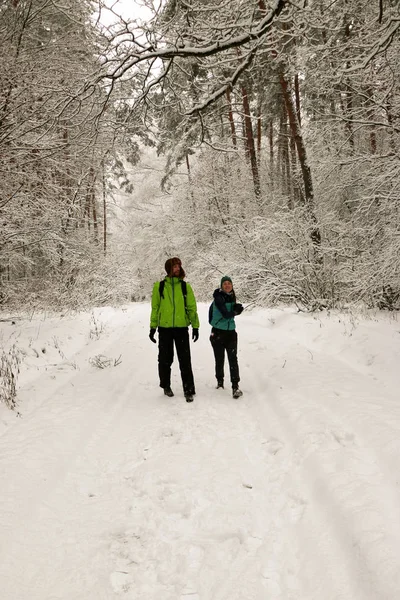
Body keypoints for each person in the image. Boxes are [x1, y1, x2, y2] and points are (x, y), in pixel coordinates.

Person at [149, 257, 199, 402]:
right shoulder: (159, 286)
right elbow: (155, 308)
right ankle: (166, 385)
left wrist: (195, 326)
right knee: (165, 359)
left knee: (185, 360)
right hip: (164, 329)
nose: (177, 268)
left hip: (181, 328)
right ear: (168, 269)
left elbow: (191, 308)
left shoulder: (185, 287)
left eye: (178, 266)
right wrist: (153, 327)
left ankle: (188, 389)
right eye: (174, 266)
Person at [209, 275, 244, 399]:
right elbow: (225, 313)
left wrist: (235, 309)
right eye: (225, 284)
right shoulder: (218, 298)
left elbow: (229, 313)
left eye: (229, 283)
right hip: (218, 333)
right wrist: (235, 312)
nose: (227, 285)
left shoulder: (232, 297)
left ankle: (235, 386)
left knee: (233, 359)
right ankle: (220, 382)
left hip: (231, 333)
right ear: (221, 286)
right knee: (220, 359)